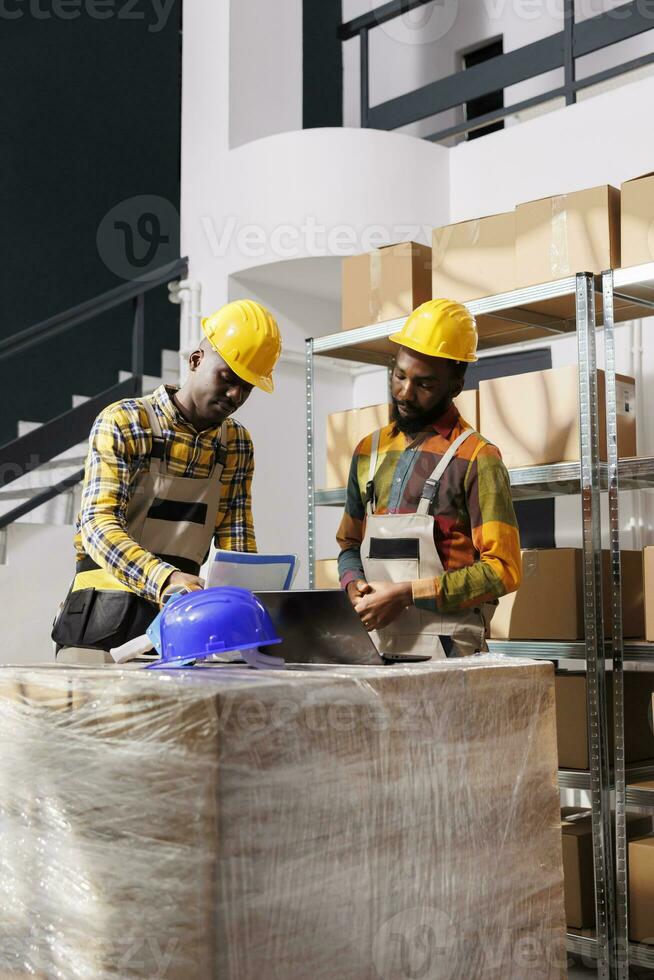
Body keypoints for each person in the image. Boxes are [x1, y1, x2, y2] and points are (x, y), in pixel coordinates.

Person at [52, 299, 281, 664]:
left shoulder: (236, 445)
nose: (236, 395)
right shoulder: (126, 421)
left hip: (181, 630)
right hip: (100, 625)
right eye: (228, 378)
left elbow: (237, 544)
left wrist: (248, 607)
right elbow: (98, 525)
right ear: (195, 361)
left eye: (247, 387)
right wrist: (167, 579)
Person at [336, 298, 521, 660]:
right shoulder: (367, 452)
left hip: (450, 654)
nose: (405, 393)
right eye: (400, 376)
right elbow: (348, 545)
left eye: (424, 384)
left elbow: (504, 570)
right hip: (374, 648)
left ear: (455, 385)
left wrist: (407, 593)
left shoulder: (478, 459)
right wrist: (352, 583)